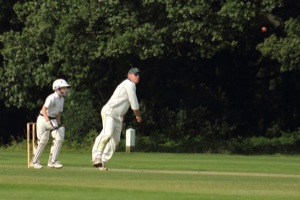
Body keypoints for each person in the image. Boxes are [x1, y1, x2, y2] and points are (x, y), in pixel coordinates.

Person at [92, 68, 142, 170]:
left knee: (116, 140)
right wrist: (138, 115)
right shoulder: (128, 84)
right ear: (129, 75)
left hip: (118, 117)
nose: (138, 76)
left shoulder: (132, 86)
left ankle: (102, 161)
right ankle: (96, 157)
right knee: (107, 134)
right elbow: (134, 102)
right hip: (110, 111)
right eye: (135, 74)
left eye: (139, 75)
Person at [30, 79, 71, 169]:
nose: (66, 90)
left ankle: (52, 161)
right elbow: (44, 109)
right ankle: (34, 161)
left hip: (53, 119)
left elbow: (58, 113)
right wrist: (47, 121)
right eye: (64, 88)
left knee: (60, 134)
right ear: (57, 88)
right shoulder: (51, 97)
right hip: (43, 118)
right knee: (43, 140)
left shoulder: (62, 99)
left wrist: (58, 124)